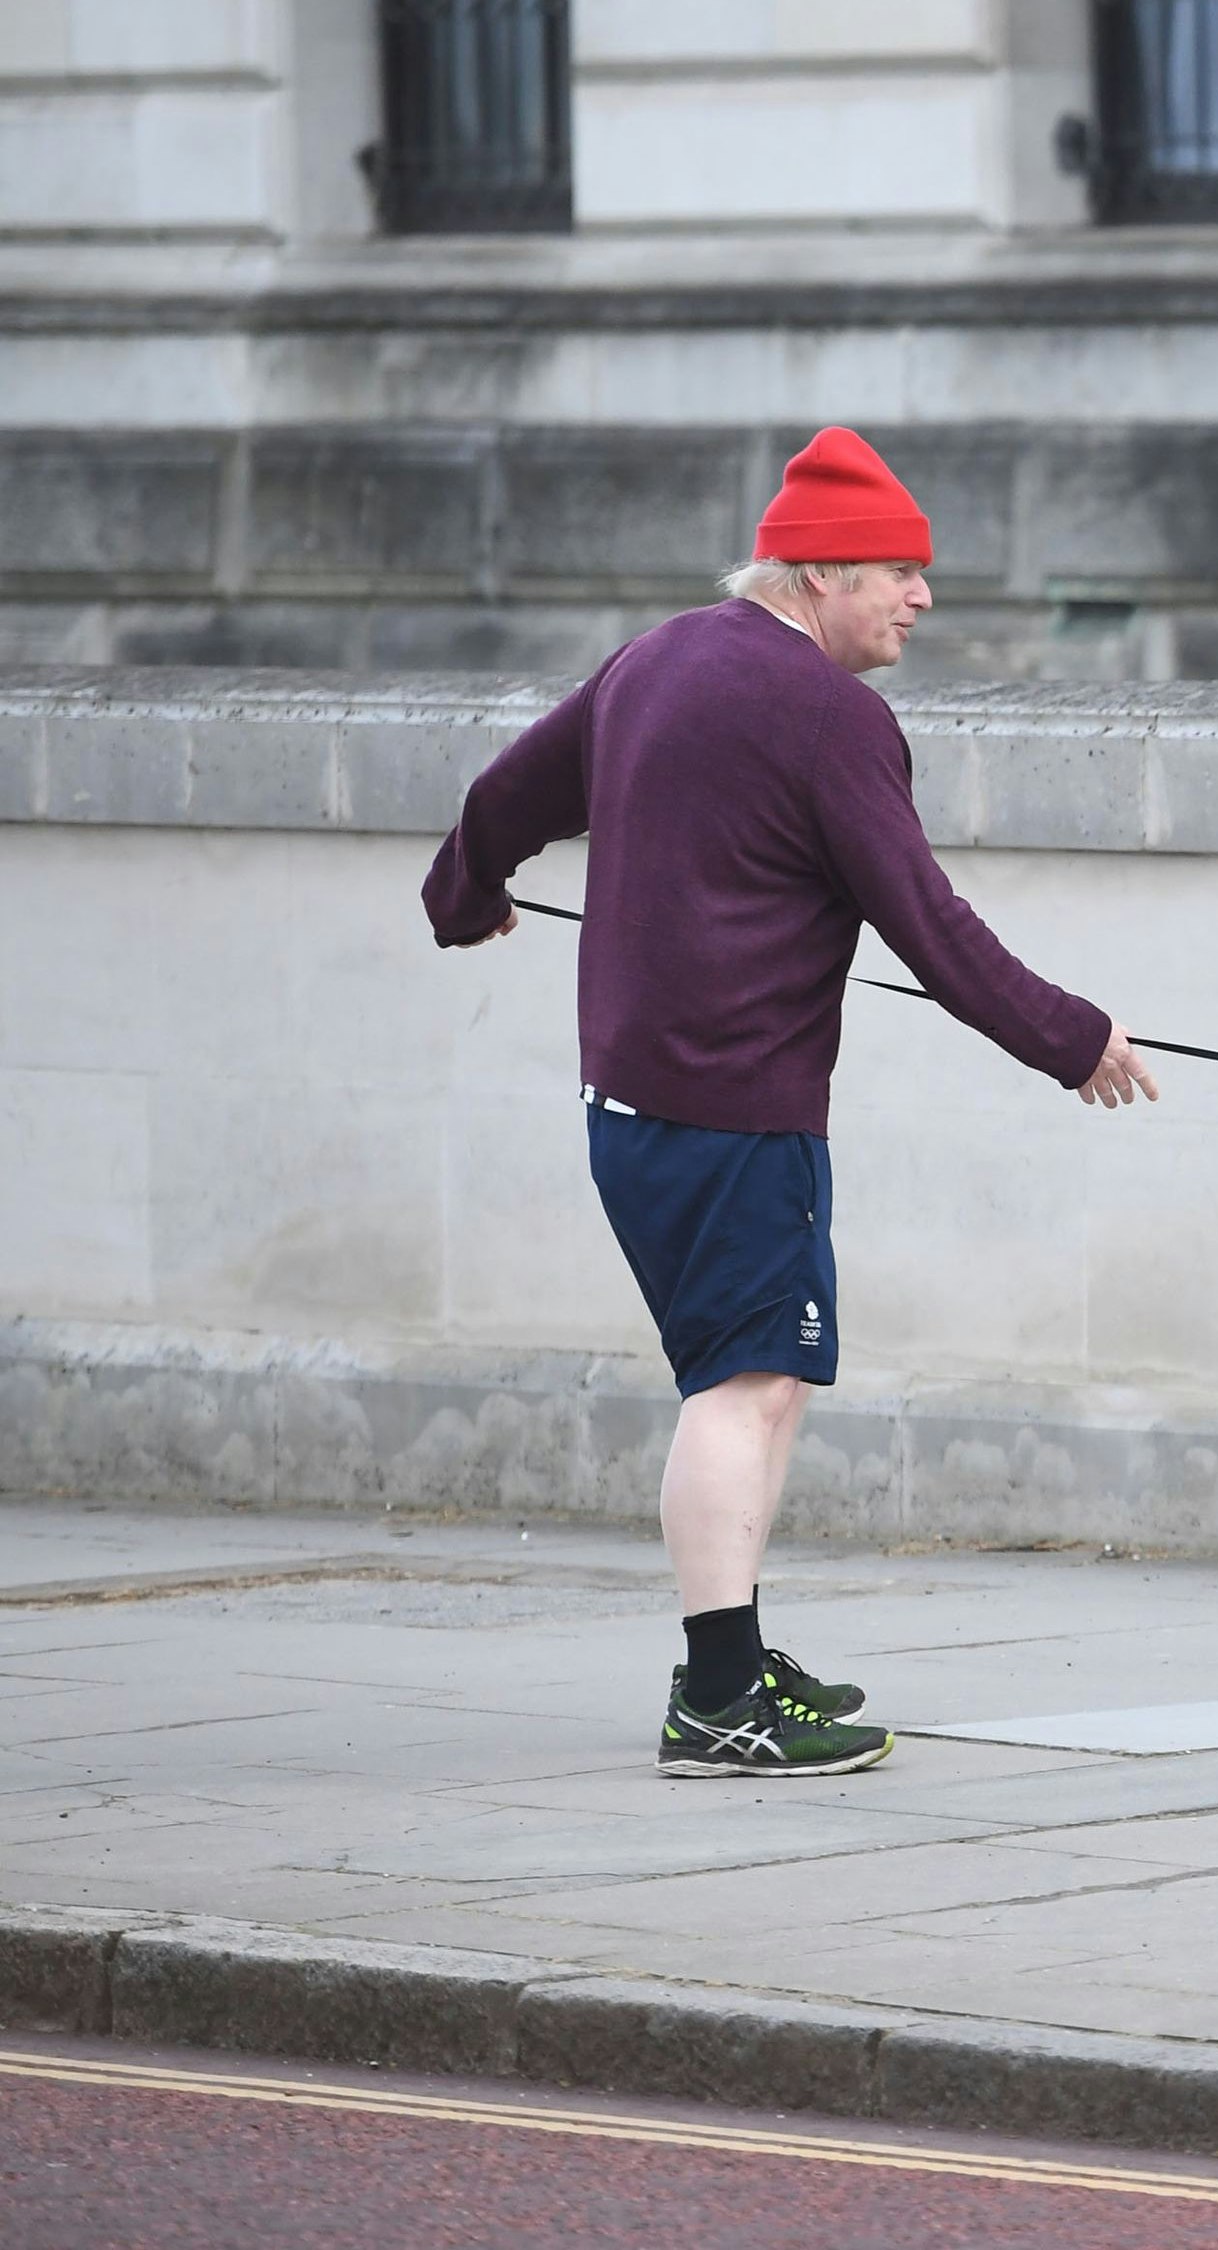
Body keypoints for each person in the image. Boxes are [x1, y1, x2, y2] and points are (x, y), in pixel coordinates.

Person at [421, 428, 1163, 1779]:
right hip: (733, 1116)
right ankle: (718, 1698)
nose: (921, 598)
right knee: (744, 1388)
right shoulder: (831, 718)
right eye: (899, 572)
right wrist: (1077, 1039)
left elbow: (503, 797)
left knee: (762, 1385)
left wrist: (464, 896)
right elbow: (932, 929)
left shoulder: (655, 662)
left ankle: (734, 1656)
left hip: (640, 1104)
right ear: (821, 572)